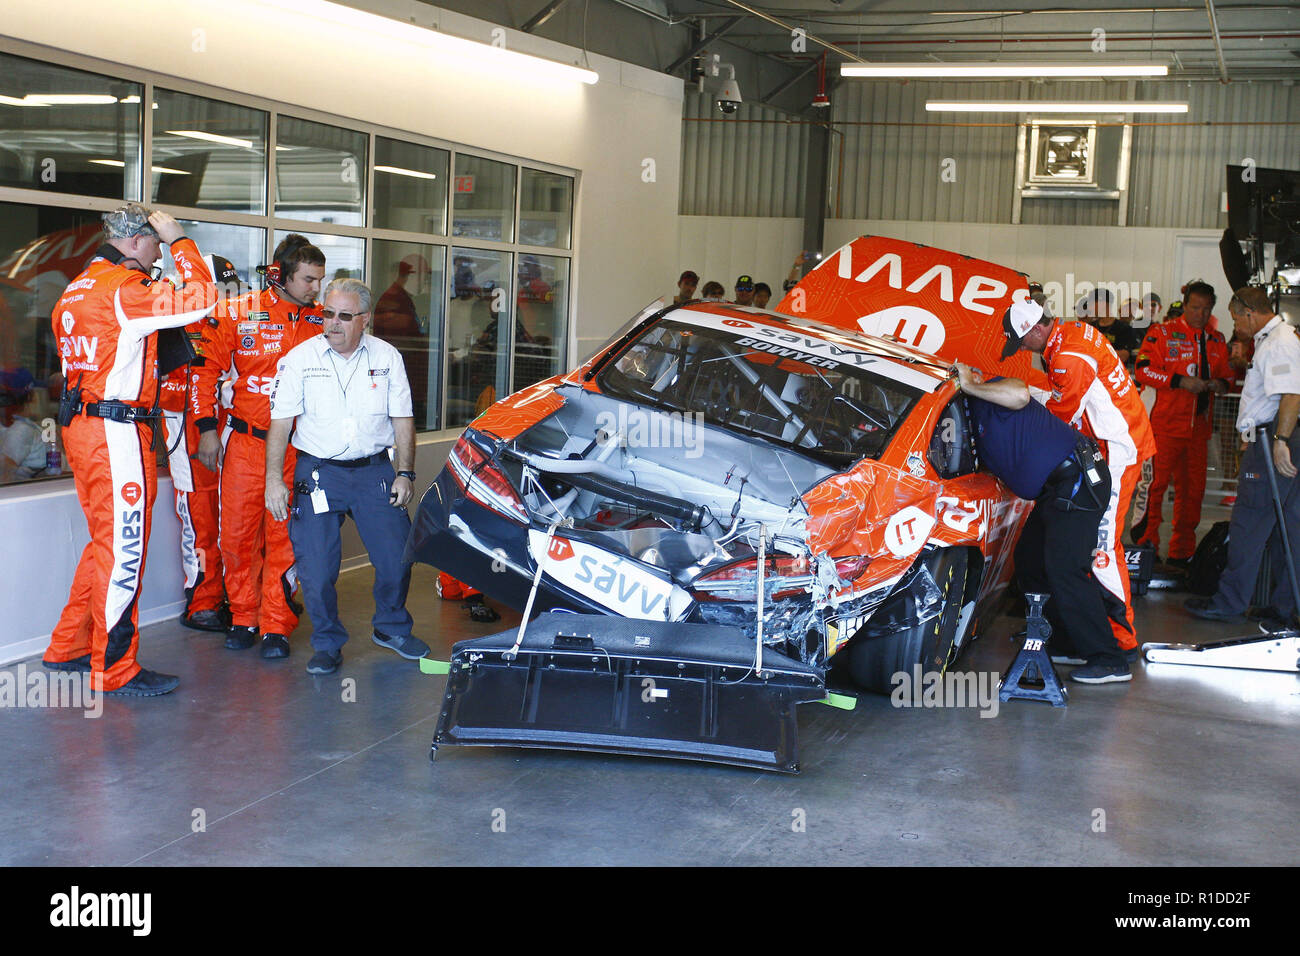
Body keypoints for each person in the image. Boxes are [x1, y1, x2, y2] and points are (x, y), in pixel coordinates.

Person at [43, 204, 217, 696]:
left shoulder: (75, 288)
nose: (160, 252)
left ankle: (68, 646)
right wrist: (182, 240)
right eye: (157, 244)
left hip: (84, 428)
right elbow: (202, 300)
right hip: (115, 433)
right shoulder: (124, 288)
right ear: (139, 241)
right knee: (125, 552)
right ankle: (115, 669)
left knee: (106, 544)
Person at [264, 278, 429, 675]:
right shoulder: (300, 359)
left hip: (374, 471)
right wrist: (274, 478)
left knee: (397, 558)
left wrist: (405, 473)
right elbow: (281, 424)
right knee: (317, 569)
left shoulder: (387, 357)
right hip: (318, 474)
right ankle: (327, 642)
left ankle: (390, 627)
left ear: (365, 320)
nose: (333, 324)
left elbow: (402, 419)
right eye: (327, 314)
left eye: (344, 316)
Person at [1002, 293, 1155, 672]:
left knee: (1103, 549)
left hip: (1119, 451)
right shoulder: (1072, 331)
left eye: (1023, 340)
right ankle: (1080, 636)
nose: (1023, 348)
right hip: (1106, 448)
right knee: (1071, 549)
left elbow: (1057, 421)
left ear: (1037, 329)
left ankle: (1119, 648)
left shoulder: (1069, 357)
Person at [192, 234, 325, 659]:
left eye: (319, 280)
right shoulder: (237, 312)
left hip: (298, 449)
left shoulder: (324, 321)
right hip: (246, 444)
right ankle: (244, 617)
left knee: (285, 539)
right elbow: (204, 373)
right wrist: (207, 430)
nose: (315, 288)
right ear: (282, 275)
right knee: (236, 536)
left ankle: (276, 626)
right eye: (308, 279)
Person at [954, 360, 1128, 682]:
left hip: (1078, 478)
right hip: (1055, 490)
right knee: (1030, 560)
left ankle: (1108, 658)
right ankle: (1064, 640)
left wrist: (972, 386)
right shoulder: (970, 422)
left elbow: (1020, 393)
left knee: (1065, 567)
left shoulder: (989, 393)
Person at [1186, 288, 1300, 628]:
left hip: (1275, 439)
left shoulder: (1279, 342)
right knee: (1287, 529)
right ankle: (1283, 607)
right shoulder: (1276, 338)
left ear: (1250, 312)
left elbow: (1293, 394)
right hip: (1277, 436)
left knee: (1249, 523)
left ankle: (1229, 603)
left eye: (1236, 318)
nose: (1236, 326)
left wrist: (1279, 440)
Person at [160, 254, 242, 632]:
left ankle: (238, 595)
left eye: (231, 286)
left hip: (232, 434)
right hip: (187, 435)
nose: (228, 293)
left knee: (236, 520)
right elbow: (167, 387)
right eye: (221, 287)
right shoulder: (170, 319)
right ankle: (203, 601)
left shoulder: (234, 321)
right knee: (201, 520)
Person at [1130, 280, 1233, 568]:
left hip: (1199, 430)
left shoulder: (1217, 340)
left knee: (1192, 494)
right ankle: (1145, 549)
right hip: (1165, 426)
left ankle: (1181, 554)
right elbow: (1143, 369)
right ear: (1185, 305)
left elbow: (1228, 377)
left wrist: (1219, 384)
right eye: (1195, 307)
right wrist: (1180, 381)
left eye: (1206, 309)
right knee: (1154, 488)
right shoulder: (1162, 333)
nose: (1200, 313)